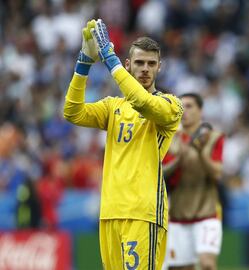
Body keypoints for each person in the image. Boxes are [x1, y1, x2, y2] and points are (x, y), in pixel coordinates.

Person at [63, 19, 183, 270]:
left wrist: (110, 60)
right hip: (110, 211)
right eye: (139, 63)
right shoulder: (113, 107)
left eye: (151, 64)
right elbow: (72, 112)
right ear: (129, 65)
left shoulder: (170, 106)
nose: (145, 69)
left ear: (160, 68)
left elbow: (143, 103)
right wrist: (84, 63)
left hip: (143, 212)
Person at [162, 93, 225, 270]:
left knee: (207, 265)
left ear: (200, 110)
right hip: (178, 216)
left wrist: (202, 153)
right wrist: (179, 160)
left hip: (207, 214)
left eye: (189, 106)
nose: (185, 111)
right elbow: (162, 174)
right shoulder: (170, 138)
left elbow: (217, 174)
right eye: (182, 107)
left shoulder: (213, 138)